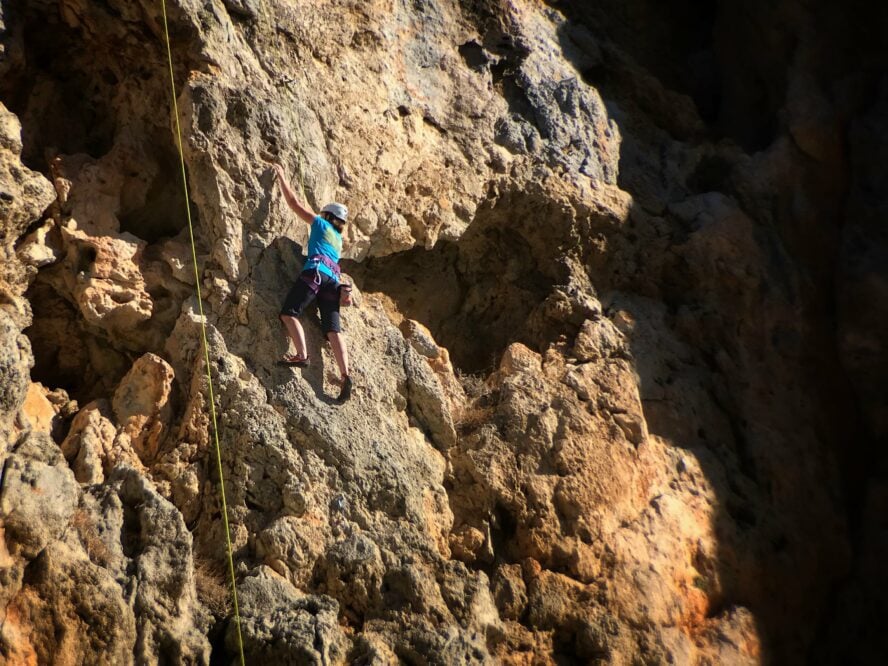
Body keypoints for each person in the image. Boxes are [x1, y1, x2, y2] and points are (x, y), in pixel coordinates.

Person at [272, 163, 352, 402]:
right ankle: (346, 374)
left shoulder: (321, 224)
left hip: (316, 272)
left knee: (289, 313)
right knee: (333, 330)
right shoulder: (338, 239)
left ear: (327, 215)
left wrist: (282, 176)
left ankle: (301, 354)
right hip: (333, 282)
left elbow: (295, 203)